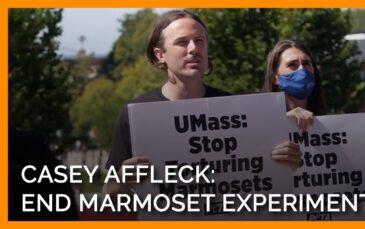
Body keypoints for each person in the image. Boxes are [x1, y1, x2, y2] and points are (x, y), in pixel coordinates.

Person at [104, 10, 232, 195]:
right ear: (160, 55)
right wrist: (121, 182)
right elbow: (109, 194)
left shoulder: (232, 106)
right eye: (182, 42)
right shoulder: (135, 115)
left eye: (199, 40)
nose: (193, 49)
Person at [262, 39, 326, 171]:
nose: (302, 70)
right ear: (275, 78)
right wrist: (284, 122)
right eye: (292, 65)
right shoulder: (261, 124)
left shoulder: (329, 125)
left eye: (307, 63)